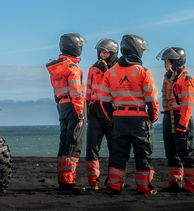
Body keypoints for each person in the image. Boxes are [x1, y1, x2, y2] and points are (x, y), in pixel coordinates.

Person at [99, 34, 158, 195]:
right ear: (137, 51)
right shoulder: (143, 72)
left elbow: (104, 101)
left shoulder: (110, 73)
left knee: (118, 154)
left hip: (119, 119)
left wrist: (113, 117)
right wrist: (152, 118)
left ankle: (114, 186)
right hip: (139, 119)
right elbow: (152, 101)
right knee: (143, 154)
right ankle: (144, 187)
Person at [46, 33, 87, 194]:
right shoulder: (73, 68)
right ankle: (68, 181)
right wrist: (81, 116)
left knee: (64, 143)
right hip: (73, 107)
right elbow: (77, 94)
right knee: (74, 143)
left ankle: (62, 179)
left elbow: (57, 92)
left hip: (62, 106)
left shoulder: (56, 68)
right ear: (75, 47)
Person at [156, 47, 194, 193]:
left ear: (178, 61)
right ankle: (175, 182)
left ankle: (192, 186)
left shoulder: (187, 80)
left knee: (186, 152)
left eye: (170, 61)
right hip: (168, 117)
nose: (166, 63)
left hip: (181, 118)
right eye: (165, 61)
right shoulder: (168, 78)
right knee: (171, 153)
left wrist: (182, 124)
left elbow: (187, 105)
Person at [83, 39, 118, 190]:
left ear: (112, 54)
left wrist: (105, 72)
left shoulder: (118, 69)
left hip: (111, 111)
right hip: (95, 110)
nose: (102, 55)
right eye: (101, 52)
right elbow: (88, 91)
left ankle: (113, 182)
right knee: (92, 147)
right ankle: (93, 183)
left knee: (114, 148)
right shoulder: (93, 69)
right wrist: (87, 111)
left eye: (106, 52)